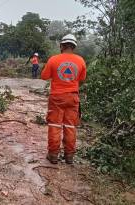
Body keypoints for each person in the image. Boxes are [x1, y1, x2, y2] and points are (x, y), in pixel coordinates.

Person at [41, 34, 87, 164]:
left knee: (55, 125)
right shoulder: (81, 60)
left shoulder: (54, 59)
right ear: (74, 47)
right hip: (73, 97)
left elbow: (44, 76)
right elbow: (82, 78)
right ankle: (69, 156)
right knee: (70, 126)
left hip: (57, 97)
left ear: (61, 46)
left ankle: (53, 155)